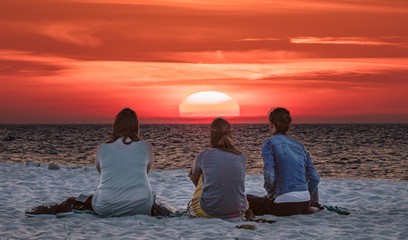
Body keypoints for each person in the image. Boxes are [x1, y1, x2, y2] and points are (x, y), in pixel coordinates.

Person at [25, 107, 155, 217]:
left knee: (88, 197)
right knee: (149, 193)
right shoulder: (146, 146)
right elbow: (145, 173)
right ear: (136, 126)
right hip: (140, 207)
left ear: (115, 126)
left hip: (105, 207)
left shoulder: (103, 148)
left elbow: (101, 172)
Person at [246, 107, 321, 217]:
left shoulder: (269, 143)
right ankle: (310, 207)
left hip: (284, 205)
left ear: (272, 125)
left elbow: (269, 174)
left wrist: (271, 193)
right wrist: (308, 196)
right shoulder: (299, 146)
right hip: (305, 203)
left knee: (246, 199)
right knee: (264, 199)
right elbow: (315, 178)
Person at [188, 117, 247, 219]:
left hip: (209, 211)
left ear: (211, 135)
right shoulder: (241, 157)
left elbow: (194, 176)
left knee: (200, 173)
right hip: (238, 211)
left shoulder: (204, 155)